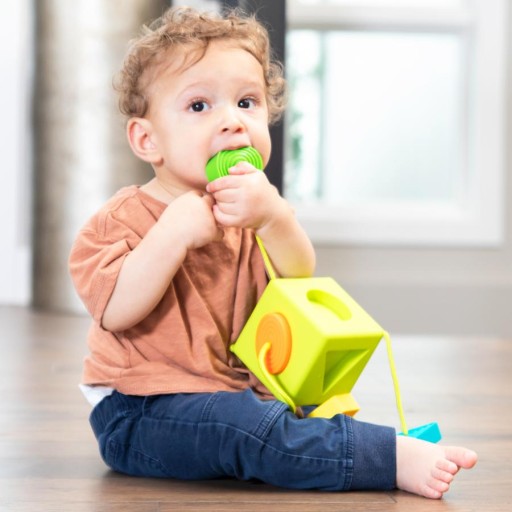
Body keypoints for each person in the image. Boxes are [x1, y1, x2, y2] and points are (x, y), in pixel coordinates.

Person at [69, 6, 477, 499]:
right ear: (147, 138)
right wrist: (171, 234)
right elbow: (114, 310)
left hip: (238, 397)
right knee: (242, 426)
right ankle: (385, 457)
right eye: (199, 106)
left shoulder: (254, 211)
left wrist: (275, 218)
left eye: (247, 102)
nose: (232, 122)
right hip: (141, 411)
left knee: (288, 411)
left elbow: (299, 274)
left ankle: (361, 442)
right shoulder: (121, 221)